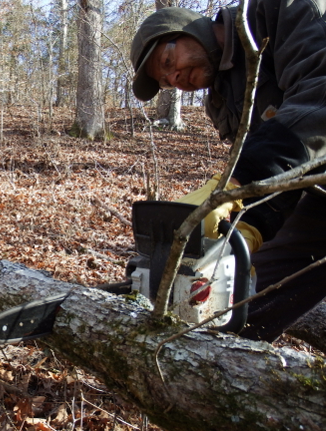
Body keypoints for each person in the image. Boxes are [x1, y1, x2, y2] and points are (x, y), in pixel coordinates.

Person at [129, 2, 326, 343]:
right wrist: (239, 222)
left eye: (167, 62)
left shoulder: (278, 12)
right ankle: (213, 367)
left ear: (189, 29)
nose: (174, 78)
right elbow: (266, 172)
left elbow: (319, 94)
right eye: (165, 80)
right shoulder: (221, 100)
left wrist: (237, 185)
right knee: (244, 296)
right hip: (315, 195)